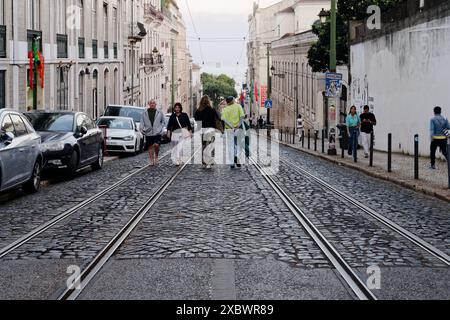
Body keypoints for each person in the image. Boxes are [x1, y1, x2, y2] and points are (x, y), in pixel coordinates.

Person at [195, 95, 220, 169]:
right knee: (211, 146)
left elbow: (197, 119)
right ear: (209, 101)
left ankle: (204, 162)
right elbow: (218, 118)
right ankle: (210, 161)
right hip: (211, 129)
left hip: (203, 129)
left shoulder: (199, 110)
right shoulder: (212, 109)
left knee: (204, 146)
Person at [140, 100, 166, 166]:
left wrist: (160, 128)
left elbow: (163, 121)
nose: (152, 104)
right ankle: (151, 160)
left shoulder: (159, 112)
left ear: (155, 104)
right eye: (151, 103)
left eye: (153, 103)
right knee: (150, 146)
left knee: (157, 145)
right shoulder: (144, 113)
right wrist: (141, 128)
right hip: (148, 132)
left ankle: (156, 156)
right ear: (149, 104)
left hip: (157, 132)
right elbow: (142, 122)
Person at [222, 96, 245, 169]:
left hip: (229, 129)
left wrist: (231, 126)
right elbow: (242, 116)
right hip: (238, 128)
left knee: (230, 145)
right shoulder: (238, 106)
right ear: (232, 100)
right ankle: (237, 156)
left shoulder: (225, 109)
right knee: (239, 144)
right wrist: (238, 125)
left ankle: (232, 162)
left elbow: (224, 120)